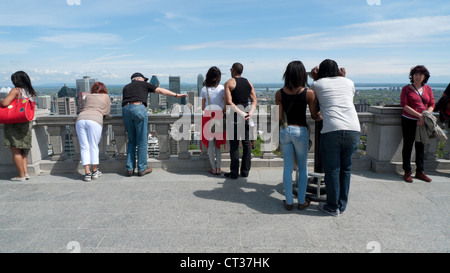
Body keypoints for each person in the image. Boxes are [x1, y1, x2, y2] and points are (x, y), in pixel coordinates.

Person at [310, 59, 360, 216]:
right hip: (353, 128)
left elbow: (314, 95)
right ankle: (342, 205)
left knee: (332, 169)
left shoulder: (317, 84)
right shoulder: (349, 82)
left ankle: (332, 207)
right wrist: (343, 77)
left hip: (332, 129)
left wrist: (314, 77)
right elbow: (342, 95)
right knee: (346, 169)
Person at [275, 61, 322, 211]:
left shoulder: (279, 93)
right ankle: (301, 201)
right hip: (300, 131)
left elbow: (279, 118)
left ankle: (289, 201)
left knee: (287, 167)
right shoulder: (308, 93)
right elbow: (314, 116)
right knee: (302, 168)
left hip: (285, 131)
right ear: (302, 74)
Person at [122, 72, 187, 177]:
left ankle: (129, 168)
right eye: (144, 79)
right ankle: (142, 168)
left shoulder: (126, 87)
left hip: (125, 110)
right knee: (142, 140)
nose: (145, 81)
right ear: (140, 79)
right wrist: (176, 95)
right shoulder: (143, 84)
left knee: (131, 140)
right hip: (138, 108)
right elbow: (160, 90)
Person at [400, 65, 435, 183]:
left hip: (423, 121)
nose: (418, 76)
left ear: (424, 76)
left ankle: (420, 171)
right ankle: (407, 171)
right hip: (409, 120)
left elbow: (432, 104)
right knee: (408, 145)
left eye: (420, 74)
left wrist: (425, 116)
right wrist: (419, 116)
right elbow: (404, 105)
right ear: (412, 76)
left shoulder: (428, 89)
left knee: (421, 146)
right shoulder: (406, 89)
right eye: (415, 74)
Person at [0, 71, 36, 181]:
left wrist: (1, 100)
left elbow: (5, 103)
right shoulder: (30, 91)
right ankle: (25, 173)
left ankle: (21, 175)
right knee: (22, 149)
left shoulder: (16, 90)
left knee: (15, 150)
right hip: (25, 122)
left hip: (14, 124)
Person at [223, 63, 257, 179]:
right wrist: (249, 114)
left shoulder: (229, 83)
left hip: (235, 116)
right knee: (247, 144)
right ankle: (245, 171)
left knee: (235, 145)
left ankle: (234, 172)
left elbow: (229, 102)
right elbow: (254, 101)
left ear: (232, 70)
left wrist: (241, 113)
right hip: (247, 116)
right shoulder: (249, 83)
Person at [75, 82, 111, 182]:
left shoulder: (87, 96)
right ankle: (95, 171)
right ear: (104, 89)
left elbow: (83, 107)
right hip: (94, 120)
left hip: (81, 119)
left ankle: (87, 173)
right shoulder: (106, 96)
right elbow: (107, 111)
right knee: (93, 146)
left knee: (84, 147)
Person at [201, 66, 226, 175]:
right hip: (219, 116)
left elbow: (202, 107)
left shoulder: (203, 89)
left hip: (208, 116)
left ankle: (213, 168)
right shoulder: (222, 88)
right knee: (218, 144)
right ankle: (219, 168)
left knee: (210, 144)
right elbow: (225, 106)